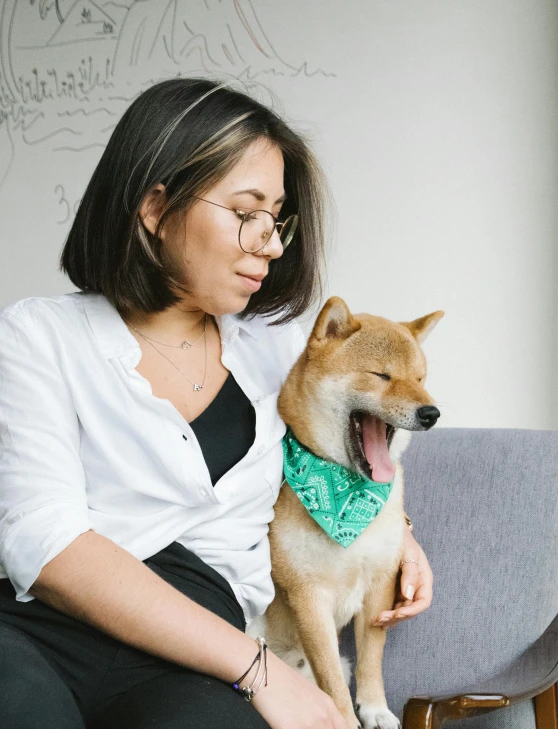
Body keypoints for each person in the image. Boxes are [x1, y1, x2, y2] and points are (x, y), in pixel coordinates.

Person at [0, 77, 433, 729]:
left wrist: (395, 532)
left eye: (277, 217)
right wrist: (259, 671)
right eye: (244, 212)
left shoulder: (282, 347)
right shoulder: (35, 336)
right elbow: (47, 544)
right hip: (39, 631)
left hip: (194, 654)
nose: (273, 243)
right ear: (154, 207)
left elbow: (341, 435)